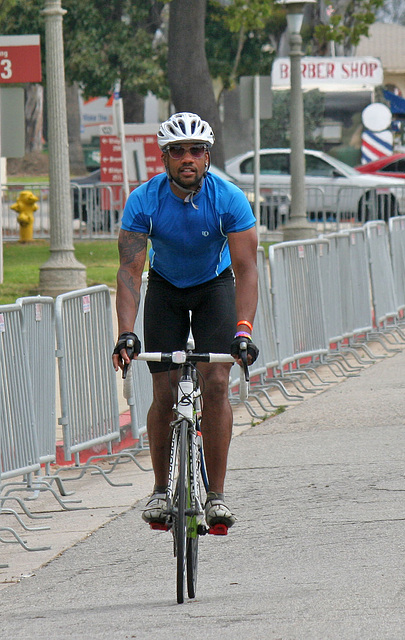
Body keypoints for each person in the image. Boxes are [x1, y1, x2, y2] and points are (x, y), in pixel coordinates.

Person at [112, 112, 259, 529]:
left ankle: (216, 496)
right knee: (164, 389)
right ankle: (160, 491)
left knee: (215, 384)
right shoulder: (144, 200)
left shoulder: (228, 198)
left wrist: (243, 332)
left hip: (215, 287)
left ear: (208, 156)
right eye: (178, 151)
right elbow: (128, 273)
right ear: (165, 158)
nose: (187, 158)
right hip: (165, 288)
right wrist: (126, 333)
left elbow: (247, 270)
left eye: (196, 150)